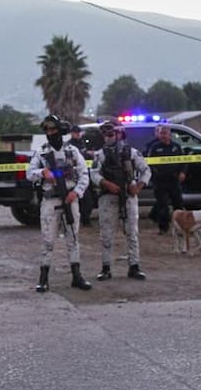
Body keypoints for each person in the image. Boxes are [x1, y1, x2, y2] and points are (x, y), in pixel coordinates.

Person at [26, 114, 91, 293]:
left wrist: (76, 192)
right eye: (47, 130)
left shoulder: (73, 151)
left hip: (70, 199)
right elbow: (29, 174)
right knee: (48, 240)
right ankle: (43, 278)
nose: (50, 133)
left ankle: (77, 276)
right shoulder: (42, 153)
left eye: (53, 129)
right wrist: (42, 172)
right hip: (50, 201)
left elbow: (84, 174)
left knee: (73, 238)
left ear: (60, 130)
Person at [93, 121, 152, 281]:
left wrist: (138, 186)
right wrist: (106, 184)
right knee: (106, 234)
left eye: (111, 134)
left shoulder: (132, 153)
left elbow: (146, 170)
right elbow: (94, 174)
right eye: (105, 135)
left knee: (132, 233)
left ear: (120, 134)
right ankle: (106, 268)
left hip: (128, 195)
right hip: (108, 197)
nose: (108, 138)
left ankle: (134, 266)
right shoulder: (100, 154)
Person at [144, 124, 186, 235]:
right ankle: (163, 228)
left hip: (174, 180)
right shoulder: (155, 147)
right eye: (161, 133)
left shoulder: (176, 147)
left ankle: (180, 227)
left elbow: (184, 162)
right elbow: (149, 163)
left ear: (169, 135)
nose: (162, 136)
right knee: (163, 206)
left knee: (178, 204)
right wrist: (154, 174)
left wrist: (182, 172)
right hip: (160, 181)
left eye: (165, 133)